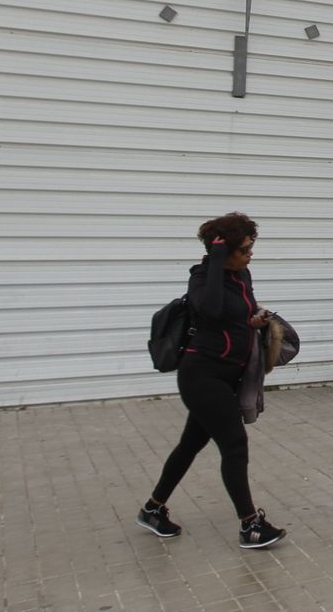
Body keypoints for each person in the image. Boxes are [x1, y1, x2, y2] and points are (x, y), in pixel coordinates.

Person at [136, 212, 287, 549]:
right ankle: (251, 525)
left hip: (229, 375)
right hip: (202, 375)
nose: (251, 254)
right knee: (234, 444)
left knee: (190, 444)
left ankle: (152, 508)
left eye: (252, 247)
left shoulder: (242, 275)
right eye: (245, 249)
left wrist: (254, 323)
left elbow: (234, 317)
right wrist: (216, 261)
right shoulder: (203, 278)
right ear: (224, 252)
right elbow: (213, 311)